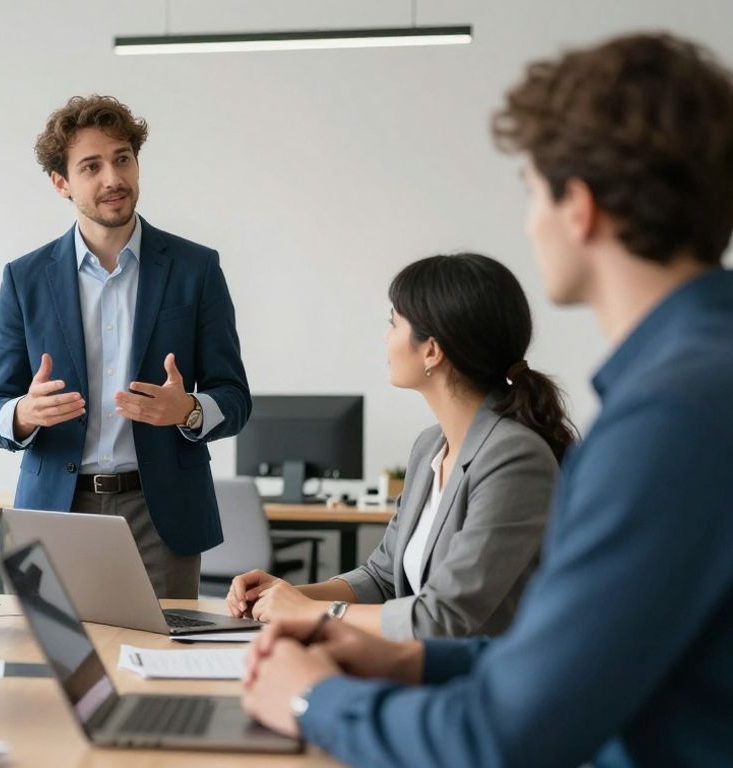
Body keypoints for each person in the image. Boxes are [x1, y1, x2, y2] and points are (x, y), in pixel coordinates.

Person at [241, 33, 733, 768]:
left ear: (580, 208)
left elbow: (505, 735)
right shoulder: (696, 383)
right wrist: (408, 660)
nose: (530, 222)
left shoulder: (669, 419)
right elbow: (569, 664)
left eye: (532, 192)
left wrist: (313, 698)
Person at [0, 94, 251, 598]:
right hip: (55, 512)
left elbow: (234, 398)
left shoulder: (196, 269)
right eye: (91, 166)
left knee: (163, 649)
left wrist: (188, 410)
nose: (113, 178)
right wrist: (24, 414)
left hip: (162, 514)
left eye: (123, 159)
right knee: (51, 650)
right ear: (61, 182)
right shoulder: (24, 279)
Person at [227, 253, 572, 639]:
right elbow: (383, 577)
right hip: (420, 662)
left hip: (484, 671)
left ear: (432, 350)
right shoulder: (430, 447)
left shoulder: (514, 457)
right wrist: (286, 595)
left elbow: (442, 617)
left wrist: (312, 612)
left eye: (393, 323)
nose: (385, 337)